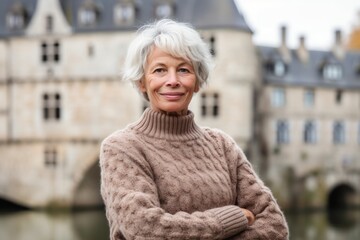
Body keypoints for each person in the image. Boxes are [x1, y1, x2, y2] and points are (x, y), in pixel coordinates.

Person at [100, 19, 289, 240]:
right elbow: (146, 229)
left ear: (198, 81)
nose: (172, 80)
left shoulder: (222, 145)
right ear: (142, 81)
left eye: (183, 70)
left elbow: (275, 226)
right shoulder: (122, 148)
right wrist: (230, 218)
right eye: (160, 70)